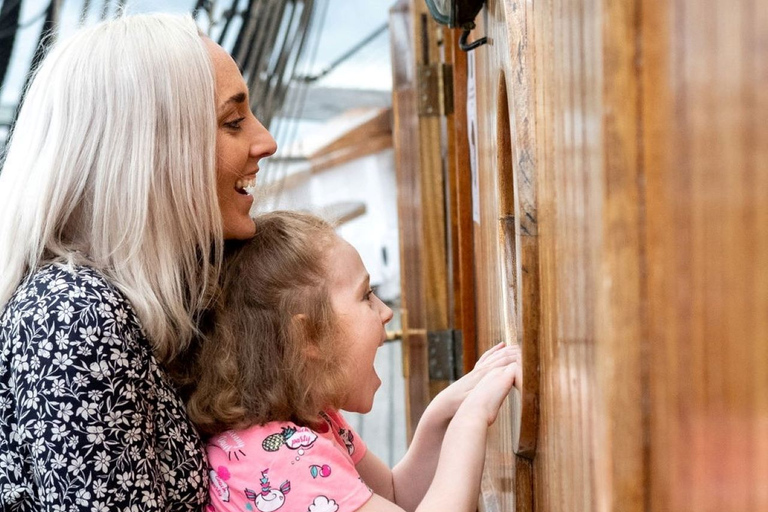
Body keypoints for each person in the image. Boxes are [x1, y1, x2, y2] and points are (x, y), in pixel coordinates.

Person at [0, 13, 276, 510]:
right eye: (233, 121)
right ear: (148, 151)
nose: (266, 141)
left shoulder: (136, 308)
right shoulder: (72, 316)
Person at [187, 211, 520, 512]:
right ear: (309, 337)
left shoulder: (316, 421)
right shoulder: (278, 460)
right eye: (366, 295)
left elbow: (395, 494)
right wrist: (471, 420)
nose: (386, 311)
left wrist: (442, 415)